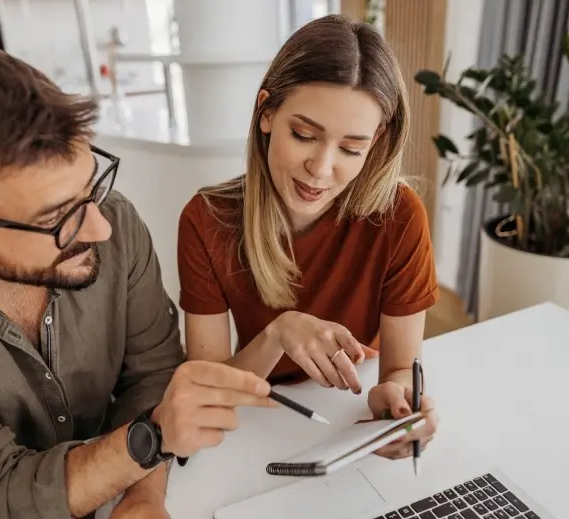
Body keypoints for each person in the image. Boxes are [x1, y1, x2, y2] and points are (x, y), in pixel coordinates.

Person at [0, 41, 275, 519]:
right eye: (58, 217)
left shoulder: (109, 222)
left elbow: (154, 373)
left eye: (91, 184)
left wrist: (142, 497)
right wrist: (150, 439)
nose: (100, 229)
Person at [177, 14, 440, 461]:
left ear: (376, 142)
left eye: (351, 149)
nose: (320, 169)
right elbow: (208, 391)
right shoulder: (207, 220)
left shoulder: (400, 216)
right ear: (267, 113)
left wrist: (395, 404)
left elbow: (399, 366)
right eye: (303, 135)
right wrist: (277, 334)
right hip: (257, 418)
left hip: (349, 412)